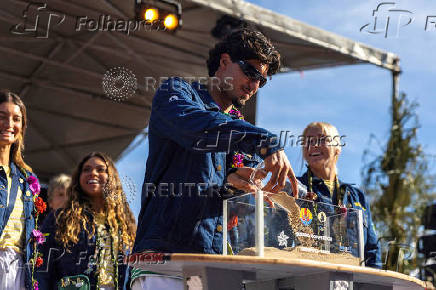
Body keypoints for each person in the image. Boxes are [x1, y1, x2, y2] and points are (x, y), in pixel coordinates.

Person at [131, 28, 298, 289]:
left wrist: (244, 190)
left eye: (262, 81)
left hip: (217, 263)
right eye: (251, 72)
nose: (254, 85)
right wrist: (264, 140)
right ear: (224, 62)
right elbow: (198, 129)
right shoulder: (177, 92)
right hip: (165, 259)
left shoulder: (239, 127)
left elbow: (228, 190)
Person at [36, 152, 137, 289]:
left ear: (111, 178)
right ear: (78, 179)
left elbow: (134, 273)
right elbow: (41, 268)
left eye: (101, 169)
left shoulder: (124, 224)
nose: (93, 173)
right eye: (86, 169)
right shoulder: (60, 218)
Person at [299, 122, 381, 268]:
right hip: (309, 276)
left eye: (322, 139)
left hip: (354, 279)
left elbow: (372, 248)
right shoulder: (295, 189)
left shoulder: (357, 196)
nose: (314, 145)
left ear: (337, 148)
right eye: (308, 141)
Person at [0, 89, 42, 290]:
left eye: (16, 119)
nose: (9, 125)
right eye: (2, 117)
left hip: (19, 269)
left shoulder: (27, 179)